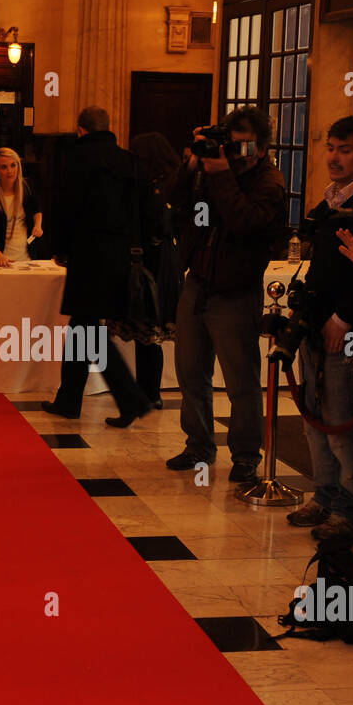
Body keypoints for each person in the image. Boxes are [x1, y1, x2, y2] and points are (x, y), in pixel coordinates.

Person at [166, 107, 288, 481]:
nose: (234, 151)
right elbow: (175, 199)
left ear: (263, 146)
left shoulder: (270, 182)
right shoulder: (214, 169)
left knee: (240, 381)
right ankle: (199, 446)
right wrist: (193, 162)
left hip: (236, 291)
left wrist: (220, 176)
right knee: (190, 373)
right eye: (229, 143)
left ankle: (246, 455)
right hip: (197, 282)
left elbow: (243, 221)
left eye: (243, 144)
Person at [285, 117, 353, 537]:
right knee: (315, 418)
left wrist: (344, 317)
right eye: (330, 147)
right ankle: (325, 495)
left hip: (351, 328)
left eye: (344, 149)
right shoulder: (325, 204)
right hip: (317, 324)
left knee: (347, 422)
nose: (334, 157)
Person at [42, 106, 154, 427]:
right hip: (122, 258)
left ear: (81, 131)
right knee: (83, 326)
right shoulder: (130, 161)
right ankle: (70, 399)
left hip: (87, 256)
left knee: (86, 328)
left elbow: (65, 208)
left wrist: (60, 249)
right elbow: (145, 210)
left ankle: (129, 398)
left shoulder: (77, 160)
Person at [129, 132, 183, 410]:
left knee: (148, 332)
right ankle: (150, 390)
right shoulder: (173, 181)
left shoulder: (154, 187)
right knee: (152, 334)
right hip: (168, 261)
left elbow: (157, 224)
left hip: (153, 261)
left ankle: (149, 391)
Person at [0, 147, 43, 265]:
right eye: (4, 167)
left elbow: (37, 209)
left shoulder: (27, 186)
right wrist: (0, 256)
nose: (10, 171)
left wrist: (38, 225)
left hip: (26, 256)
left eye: (13, 165)